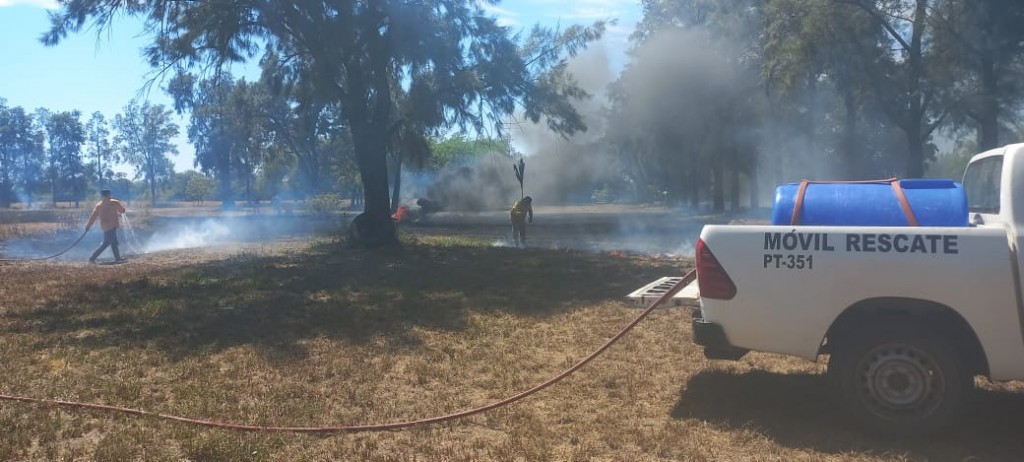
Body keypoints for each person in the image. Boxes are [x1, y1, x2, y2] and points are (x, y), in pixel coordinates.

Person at [85, 189, 126, 263]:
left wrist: (88, 226)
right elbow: (122, 210)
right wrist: (123, 209)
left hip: (105, 227)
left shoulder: (99, 205)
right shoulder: (114, 202)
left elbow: (93, 216)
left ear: (102, 195)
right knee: (106, 243)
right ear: (109, 194)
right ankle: (92, 258)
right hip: (113, 226)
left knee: (114, 242)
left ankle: (117, 258)